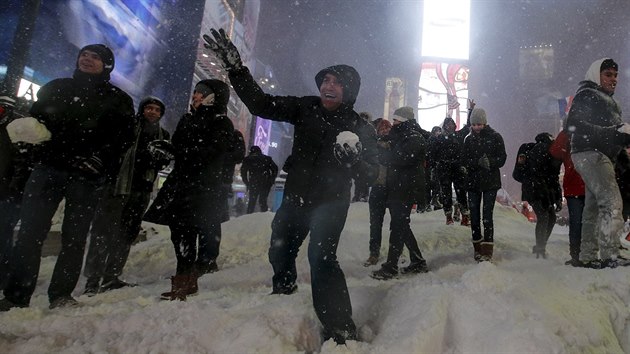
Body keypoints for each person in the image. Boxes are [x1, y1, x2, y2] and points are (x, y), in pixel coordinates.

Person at [204, 28, 378, 344]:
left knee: (321, 259)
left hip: (331, 202)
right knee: (279, 249)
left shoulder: (359, 127)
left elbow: (374, 175)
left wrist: (355, 163)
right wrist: (236, 68)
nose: (328, 85)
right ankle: (283, 291)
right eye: (325, 80)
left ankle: (340, 327)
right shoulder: (304, 107)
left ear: (348, 91)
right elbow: (260, 104)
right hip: (296, 198)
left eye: (336, 82)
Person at [0, 44, 135, 311]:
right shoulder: (56, 88)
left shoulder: (118, 100)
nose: (87, 59)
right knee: (29, 233)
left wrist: (99, 161)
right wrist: (30, 146)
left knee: (74, 237)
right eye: (84, 55)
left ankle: (61, 295)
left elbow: (121, 139)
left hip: (86, 177)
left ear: (107, 65)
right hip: (48, 169)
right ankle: (17, 296)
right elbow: (36, 124)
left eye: (95, 57)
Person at [143, 79, 234, 300]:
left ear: (213, 97)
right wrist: (166, 151)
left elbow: (212, 154)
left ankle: (186, 279)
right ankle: (184, 277)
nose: (195, 96)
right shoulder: (187, 119)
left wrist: (179, 152)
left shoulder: (222, 123)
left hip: (202, 187)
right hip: (181, 184)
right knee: (179, 233)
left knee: (193, 231)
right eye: (195, 92)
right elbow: (178, 147)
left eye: (201, 93)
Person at [83, 96, 171, 295]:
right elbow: (112, 150)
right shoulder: (128, 127)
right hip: (117, 187)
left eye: (157, 110)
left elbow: (161, 163)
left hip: (141, 190)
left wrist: (160, 158)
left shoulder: (162, 135)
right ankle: (93, 279)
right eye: (149, 108)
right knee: (103, 232)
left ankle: (112, 276)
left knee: (126, 234)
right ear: (142, 110)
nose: (152, 112)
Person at [566, 57, 630, 269]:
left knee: (593, 206)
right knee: (612, 203)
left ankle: (588, 254)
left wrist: (621, 139)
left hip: (595, 154)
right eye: (608, 74)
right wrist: (612, 133)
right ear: (596, 74)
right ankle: (610, 254)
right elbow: (574, 123)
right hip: (590, 152)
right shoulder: (588, 95)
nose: (614, 79)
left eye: (615, 75)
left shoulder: (607, 100)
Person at [371, 107, 428, 279]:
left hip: (406, 188)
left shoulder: (414, 138)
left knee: (398, 226)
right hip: (398, 186)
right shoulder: (403, 135)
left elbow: (400, 159)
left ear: (403, 121)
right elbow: (388, 142)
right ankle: (418, 261)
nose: (393, 123)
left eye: (396, 120)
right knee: (401, 225)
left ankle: (391, 267)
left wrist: (382, 153)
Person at [461, 107, 506, 262]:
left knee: (487, 216)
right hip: (473, 182)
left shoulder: (495, 137)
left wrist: (490, 162)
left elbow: (502, 158)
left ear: (485, 123)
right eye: (474, 124)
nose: (477, 127)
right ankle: (477, 247)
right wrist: (476, 163)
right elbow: (464, 160)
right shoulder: (468, 139)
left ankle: (487, 249)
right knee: (474, 216)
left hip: (490, 182)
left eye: (480, 124)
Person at [513, 133, 562, 259]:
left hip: (535, 190)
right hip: (540, 190)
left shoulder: (532, 150)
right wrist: (557, 198)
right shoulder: (548, 152)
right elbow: (553, 178)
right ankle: (540, 248)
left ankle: (540, 247)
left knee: (547, 217)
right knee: (547, 217)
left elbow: (519, 175)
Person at [429, 102, 472, 226]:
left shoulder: (458, 136)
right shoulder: (439, 139)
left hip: (457, 169)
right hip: (444, 169)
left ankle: (464, 216)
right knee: (446, 193)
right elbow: (433, 154)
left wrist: (470, 110)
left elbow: (468, 126)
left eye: (452, 123)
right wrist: (435, 166)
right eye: (448, 124)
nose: (451, 126)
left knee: (461, 193)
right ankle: (449, 216)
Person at [550, 128, 585, 266]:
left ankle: (581, 254)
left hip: (581, 185)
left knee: (581, 222)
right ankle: (579, 254)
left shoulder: (585, 131)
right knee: (580, 222)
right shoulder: (569, 135)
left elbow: (555, 151)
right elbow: (555, 151)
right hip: (579, 186)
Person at [364, 118, 392, 266]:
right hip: (378, 187)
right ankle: (373, 253)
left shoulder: (395, 145)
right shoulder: (373, 147)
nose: (385, 131)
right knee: (375, 223)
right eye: (382, 129)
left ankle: (395, 253)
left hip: (393, 188)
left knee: (398, 224)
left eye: (388, 128)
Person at [241, 145, 278, 214]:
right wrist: (271, 180)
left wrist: (247, 183)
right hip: (265, 183)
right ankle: (264, 216)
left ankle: (248, 217)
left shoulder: (248, 159)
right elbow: (275, 168)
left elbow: (243, 173)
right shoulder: (267, 159)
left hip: (253, 183)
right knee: (263, 201)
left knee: (252, 201)